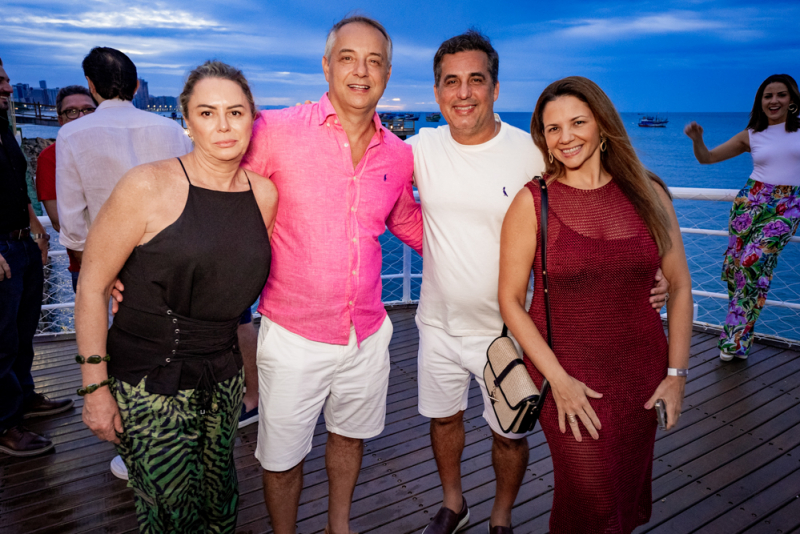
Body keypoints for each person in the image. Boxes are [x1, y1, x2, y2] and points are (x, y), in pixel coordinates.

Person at [409, 33, 669, 534]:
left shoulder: (533, 151)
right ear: (437, 91)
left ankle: (501, 517)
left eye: (476, 80)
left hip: (512, 331)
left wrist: (654, 269)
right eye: (451, 82)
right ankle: (453, 504)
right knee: (443, 420)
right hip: (437, 322)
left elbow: (603, 189)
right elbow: (369, 177)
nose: (463, 93)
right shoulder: (419, 148)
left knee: (509, 433)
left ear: (496, 88)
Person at [76, 60, 277, 532]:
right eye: (207, 113)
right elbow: (92, 287)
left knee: (220, 500)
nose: (223, 125)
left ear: (252, 118)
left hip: (221, 378)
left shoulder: (264, 194)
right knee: (170, 512)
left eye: (235, 112)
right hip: (150, 381)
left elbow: (227, 279)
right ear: (186, 121)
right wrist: (95, 391)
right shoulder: (146, 185)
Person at [240, 15, 422, 534]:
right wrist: (147, 260)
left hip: (367, 331)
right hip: (293, 333)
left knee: (349, 436)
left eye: (374, 61)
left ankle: (337, 527)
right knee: (281, 457)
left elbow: (408, 222)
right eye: (348, 58)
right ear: (326, 66)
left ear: (387, 73)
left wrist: (501, 253)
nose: (361, 71)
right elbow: (218, 195)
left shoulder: (399, 154)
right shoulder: (275, 130)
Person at [498, 76, 693, 534]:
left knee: (620, 498)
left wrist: (676, 376)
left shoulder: (649, 194)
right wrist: (558, 380)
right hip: (566, 378)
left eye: (578, 122)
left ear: (603, 125)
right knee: (593, 496)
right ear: (543, 138)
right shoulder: (532, 202)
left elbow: (681, 286)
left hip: (640, 377)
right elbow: (510, 301)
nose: (566, 137)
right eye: (553, 128)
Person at [684, 74, 800, 361]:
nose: (774, 101)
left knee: (752, 263)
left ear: (792, 100)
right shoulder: (752, 134)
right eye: (768, 96)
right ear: (760, 102)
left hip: (788, 206)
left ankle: (731, 340)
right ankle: (740, 341)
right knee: (738, 271)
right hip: (750, 203)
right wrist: (698, 140)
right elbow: (707, 158)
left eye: (781, 95)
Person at [0, 57, 74, 457]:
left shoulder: (3, 128)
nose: (8, 88)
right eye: (0, 81)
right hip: (1, 249)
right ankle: (5, 425)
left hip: (21, 243)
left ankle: (24, 398)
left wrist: (37, 231)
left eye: (8, 80)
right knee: (1, 340)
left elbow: (16, 187)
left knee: (22, 331)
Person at [35, 85, 96, 291]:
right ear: (60, 120)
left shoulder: (114, 148)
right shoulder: (49, 158)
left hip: (135, 261)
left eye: (88, 109)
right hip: (85, 264)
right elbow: (59, 221)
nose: (81, 116)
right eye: (72, 111)